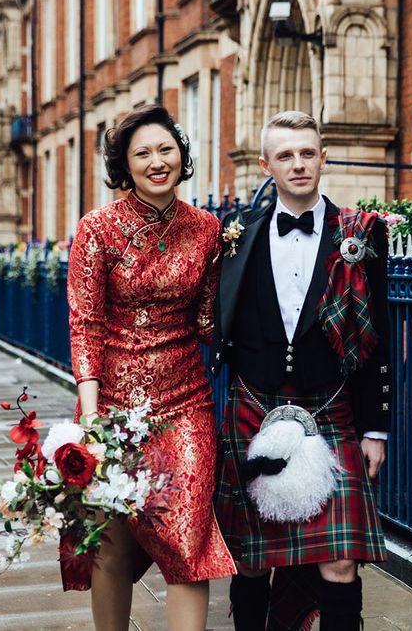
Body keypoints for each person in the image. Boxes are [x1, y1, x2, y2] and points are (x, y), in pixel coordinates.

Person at [211, 110, 392, 630]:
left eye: (307, 153)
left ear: (323, 158)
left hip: (331, 405)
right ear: (267, 164)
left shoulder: (359, 234)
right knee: (251, 558)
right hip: (253, 403)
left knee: (339, 559)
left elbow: (378, 338)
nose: (298, 164)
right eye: (285, 155)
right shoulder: (238, 236)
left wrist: (375, 428)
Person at [66, 104, 235, 631]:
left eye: (166, 149)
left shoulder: (208, 229)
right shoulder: (98, 229)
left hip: (185, 400)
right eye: (143, 153)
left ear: (182, 155)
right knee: (110, 546)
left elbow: (209, 321)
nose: (157, 161)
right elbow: (85, 322)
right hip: (111, 405)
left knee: (189, 541)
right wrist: (92, 418)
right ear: (126, 165)